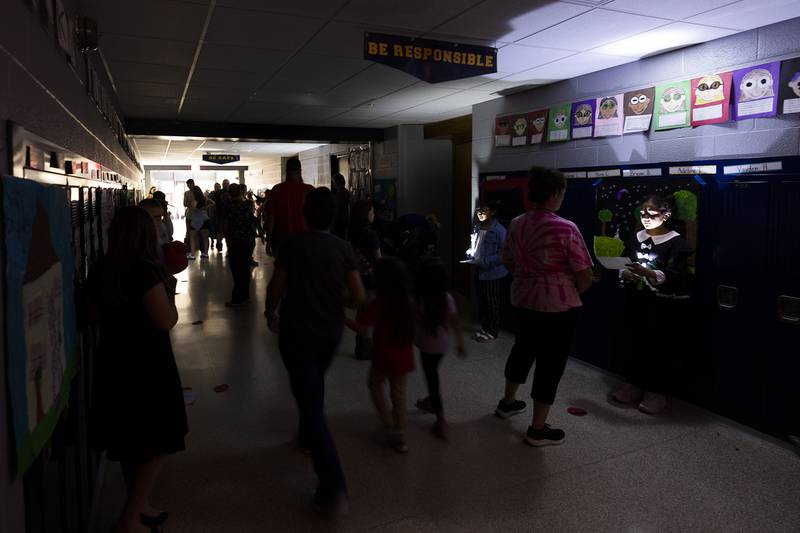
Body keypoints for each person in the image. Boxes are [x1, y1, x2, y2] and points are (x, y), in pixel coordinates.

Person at [264, 187, 365, 516]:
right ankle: (306, 436)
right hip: (330, 333)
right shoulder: (343, 247)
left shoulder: (293, 244)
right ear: (332, 216)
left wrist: (270, 312)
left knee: (310, 401)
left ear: (306, 214)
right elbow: (358, 295)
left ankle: (333, 487)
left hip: (297, 332)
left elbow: (277, 285)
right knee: (313, 382)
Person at [87, 206, 187, 533]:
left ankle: (138, 503)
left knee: (132, 442)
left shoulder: (103, 266)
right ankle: (129, 520)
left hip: (113, 360)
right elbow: (164, 320)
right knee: (158, 442)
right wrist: (170, 290)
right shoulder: (144, 270)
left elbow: (92, 313)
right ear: (145, 234)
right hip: (147, 367)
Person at [495, 167, 593, 447]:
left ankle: (508, 403)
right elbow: (584, 274)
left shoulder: (516, 223)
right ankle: (538, 429)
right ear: (554, 193)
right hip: (557, 307)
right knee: (551, 363)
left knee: (522, 349)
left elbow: (508, 260)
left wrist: (528, 279)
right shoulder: (566, 227)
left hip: (524, 299)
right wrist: (571, 289)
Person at [611, 194, 693, 415]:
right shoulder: (635, 237)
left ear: (666, 216)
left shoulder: (677, 243)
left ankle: (656, 391)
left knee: (659, 346)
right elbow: (624, 261)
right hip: (636, 301)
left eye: (652, 214)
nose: (645, 217)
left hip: (663, 307)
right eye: (642, 213)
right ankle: (633, 383)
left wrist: (649, 273)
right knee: (634, 340)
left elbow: (676, 275)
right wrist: (625, 274)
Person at [346, 257, 416, 453]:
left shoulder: (379, 303)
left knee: (375, 384)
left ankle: (388, 424)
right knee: (399, 395)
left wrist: (342, 318)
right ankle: (401, 437)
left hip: (384, 355)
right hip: (405, 354)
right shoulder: (408, 301)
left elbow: (361, 328)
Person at [414, 258, 466, 440]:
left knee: (432, 379)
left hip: (426, 346)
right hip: (442, 346)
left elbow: (415, 323)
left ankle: (441, 419)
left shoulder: (422, 300)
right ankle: (430, 402)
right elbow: (455, 322)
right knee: (433, 373)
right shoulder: (447, 298)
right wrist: (460, 342)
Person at [471, 200, 509, 343]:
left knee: (492, 302)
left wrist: (484, 262)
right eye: (479, 209)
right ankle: (485, 327)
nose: (480, 212)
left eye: (484, 209)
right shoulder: (477, 227)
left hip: (492, 273)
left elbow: (504, 254)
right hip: (479, 272)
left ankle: (492, 331)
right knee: (483, 301)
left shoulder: (499, 230)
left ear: (492, 212)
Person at [348, 200, 382, 360]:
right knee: (369, 313)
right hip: (371, 279)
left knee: (362, 311)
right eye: (371, 211)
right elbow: (378, 259)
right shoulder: (371, 234)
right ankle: (366, 347)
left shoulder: (352, 232)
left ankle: (360, 345)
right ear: (365, 214)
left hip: (357, 276)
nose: (373, 214)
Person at [264, 158, 313, 256]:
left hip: (281, 240)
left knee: (283, 269)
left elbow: (271, 217)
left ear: (286, 172)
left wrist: (268, 239)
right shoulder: (309, 190)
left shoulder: (277, 190)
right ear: (300, 172)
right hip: (305, 241)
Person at [225, 184, 257, 307]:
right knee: (244, 269)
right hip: (248, 241)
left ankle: (238, 298)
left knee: (237, 270)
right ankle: (245, 295)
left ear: (229, 194)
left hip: (235, 242)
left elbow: (226, 225)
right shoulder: (248, 205)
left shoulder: (229, 207)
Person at [187, 186, 211, 260]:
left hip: (196, 219)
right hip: (204, 218)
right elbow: (213, 203)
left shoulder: (195, 200)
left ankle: (192, 254)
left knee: (192, 237)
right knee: (205, 237)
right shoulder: (204, 199)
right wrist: (205, 208)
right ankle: (205, 253)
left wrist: (191, 205)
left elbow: (193, 208)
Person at [331, 172, 350, 240]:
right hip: (344, 220)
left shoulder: (340, 194)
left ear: (337, 182)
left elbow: (337, 210)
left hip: (340, 222)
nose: (333, 184)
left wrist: (333, 224)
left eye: (333, 182)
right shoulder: (345, 192)